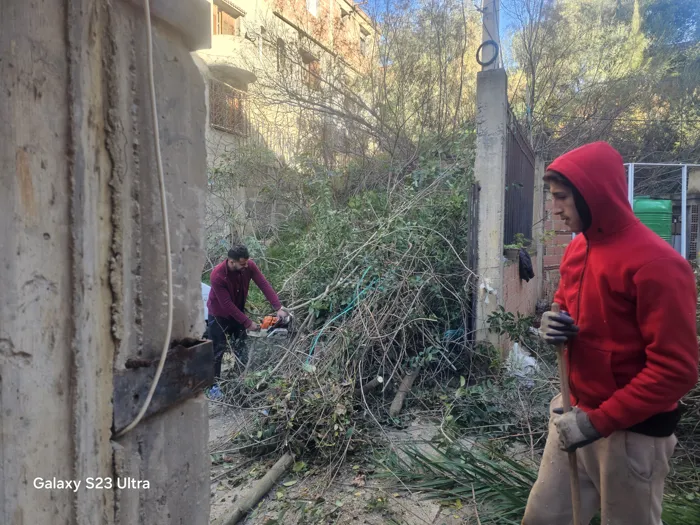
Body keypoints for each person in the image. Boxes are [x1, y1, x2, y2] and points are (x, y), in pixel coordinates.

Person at [523, 142, 698, 524]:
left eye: (562, 198)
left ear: (593, 193)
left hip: (631, 435)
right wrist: (552, 321)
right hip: (573, 414)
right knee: (543, 518)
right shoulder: (578, 249)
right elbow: (562, 303)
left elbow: (677, 371)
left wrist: (595, 423)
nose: (554, 208)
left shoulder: (659, 266)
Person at [206, 244, 289, 381]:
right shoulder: (218, 275)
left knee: (240, 344)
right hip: (218, 315)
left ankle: (241, 376)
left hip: (237, 312)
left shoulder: (249, 266)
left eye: (246, 263)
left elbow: (263, 284)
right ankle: (213, 384)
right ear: (231, 262)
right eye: (242, 264)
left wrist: (278, 307)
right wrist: (247, 322)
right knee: (217, 350)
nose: (246, 266)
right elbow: (226, 304)